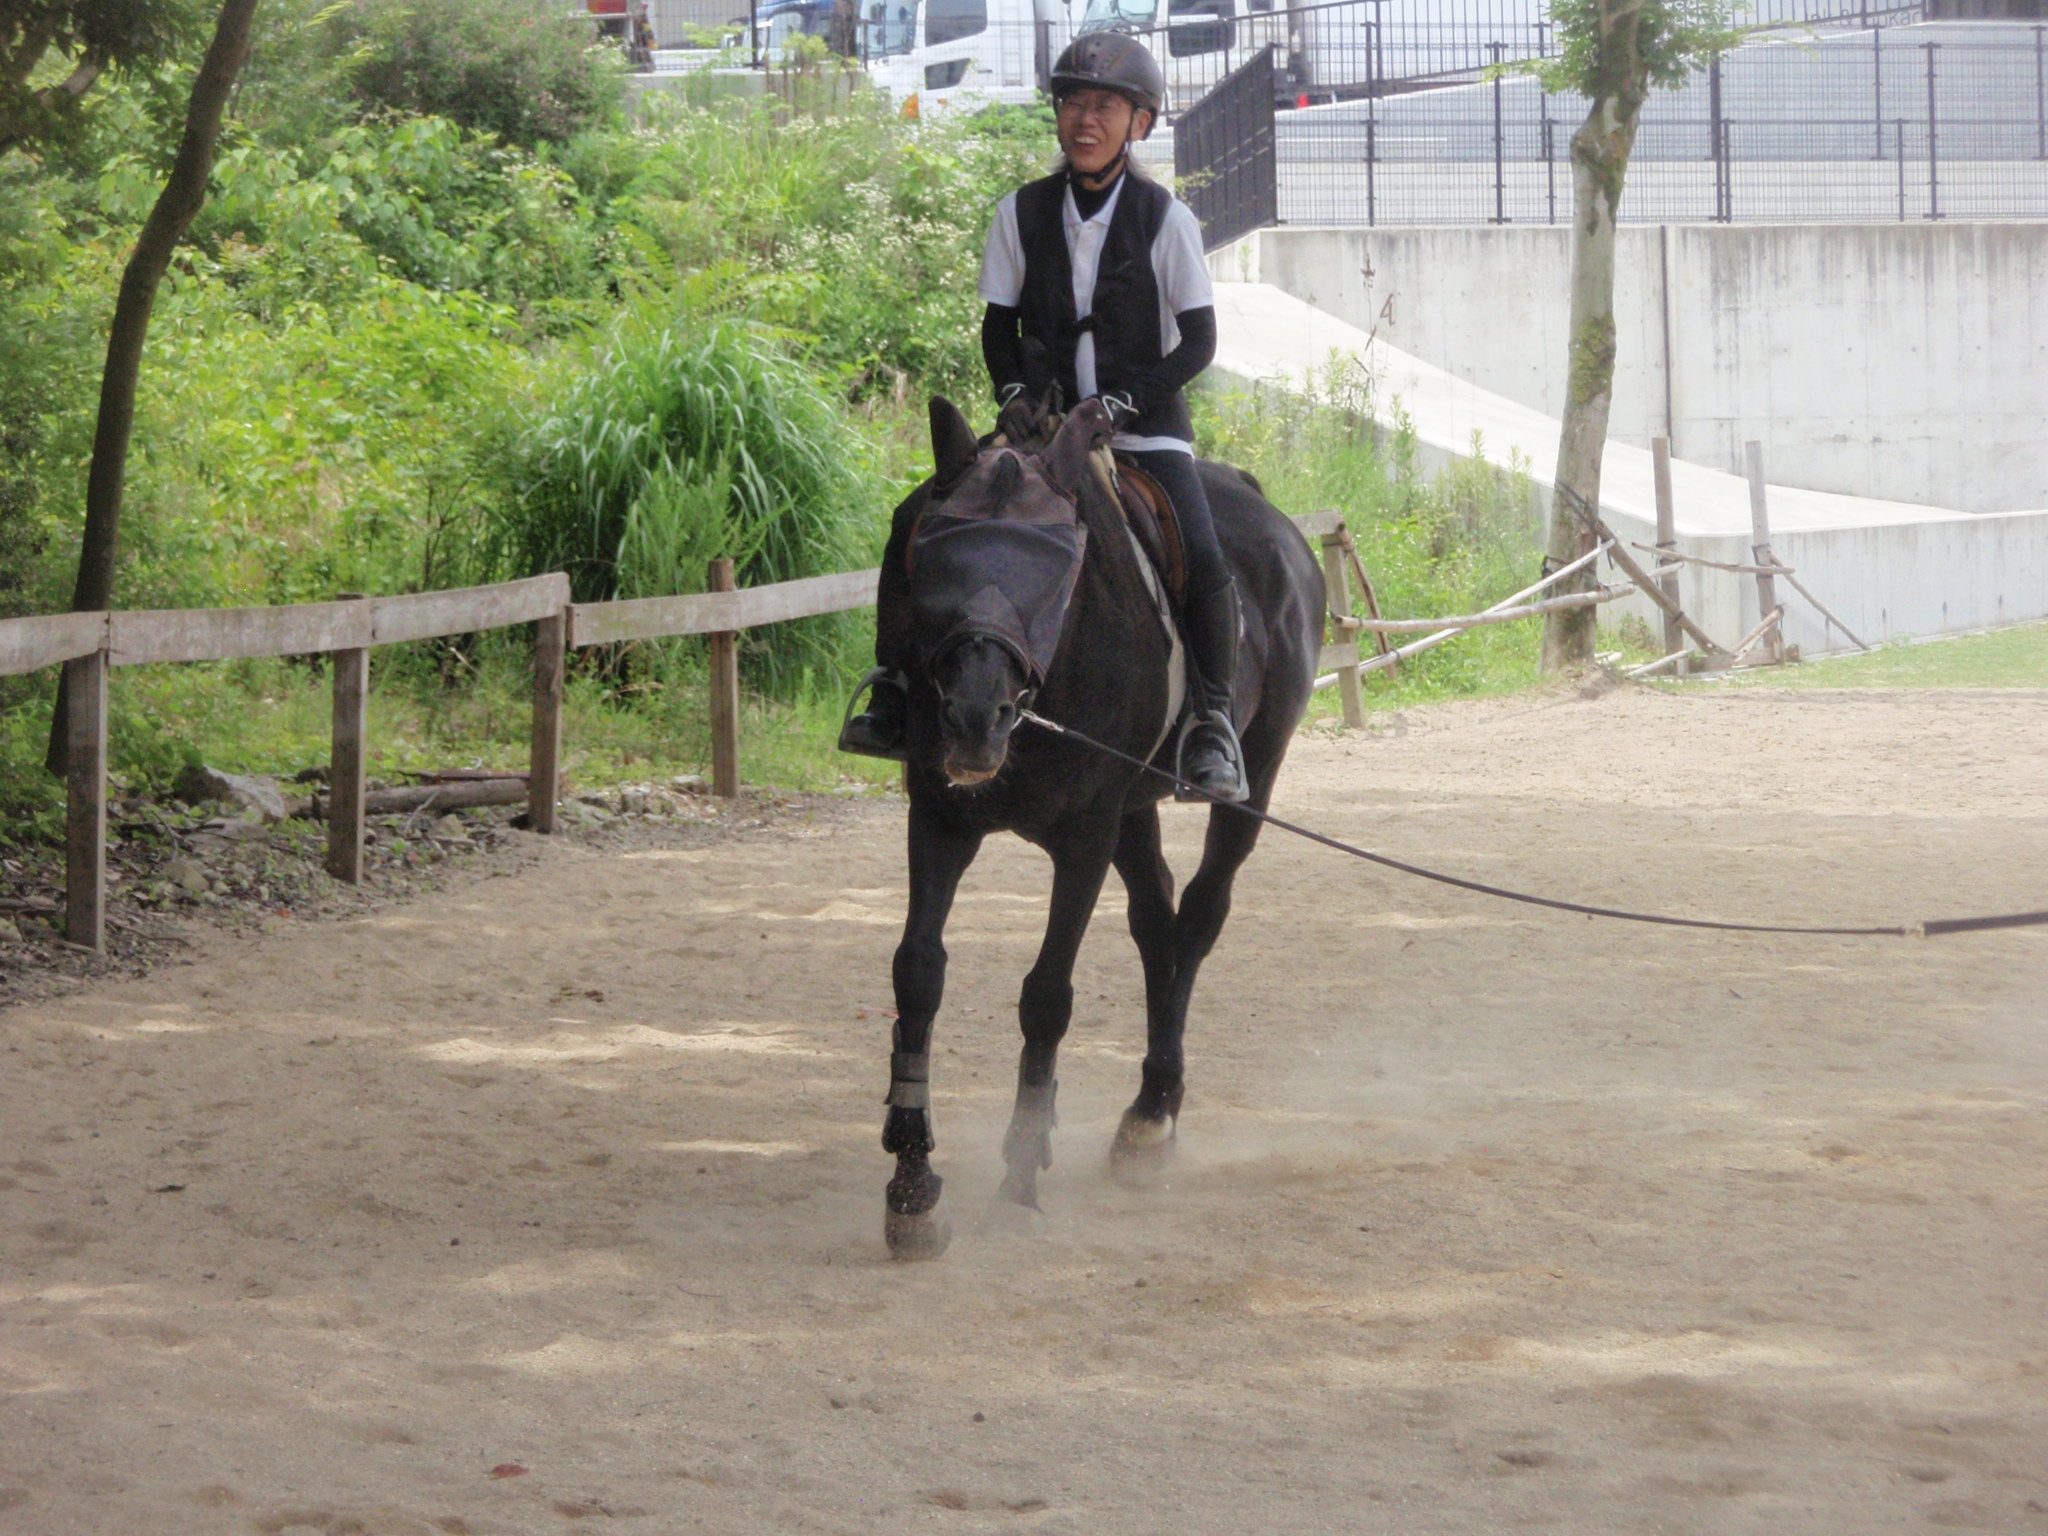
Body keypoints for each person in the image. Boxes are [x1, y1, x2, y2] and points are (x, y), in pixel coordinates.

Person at [841, 33, 1247, 801]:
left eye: (1105, 107)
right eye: (1073, 104)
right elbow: (999, 326)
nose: (1085, 120)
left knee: (1199, 550)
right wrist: (1012, 397)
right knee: (913, 518)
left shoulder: (1166, 220)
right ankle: (894, 690)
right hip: (1039, 432)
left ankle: (1213, 724)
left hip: (1144, 430)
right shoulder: (1020, 211)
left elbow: (1200, 342)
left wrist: (1119, 404)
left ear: (1140, 123)